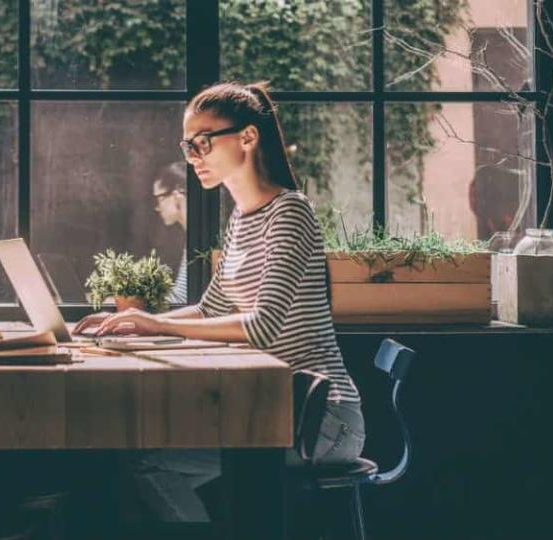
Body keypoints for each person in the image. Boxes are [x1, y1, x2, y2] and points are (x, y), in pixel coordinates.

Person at [73, 81, 365, 522]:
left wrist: (160, 327)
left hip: (324, 419)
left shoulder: (291, 212)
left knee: (149, 464)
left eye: (203, 143)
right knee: (140, 454)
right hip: (276, 408)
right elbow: (212, 309)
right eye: (187, 145)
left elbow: (262, 325)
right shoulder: (241, 219)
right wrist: (137, 320)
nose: (193, 157)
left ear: (247, 137)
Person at [153, 162, 188, 304]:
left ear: (176, 195)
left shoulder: (197, 241)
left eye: (159, 198)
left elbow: (181, 300)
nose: (157, 207)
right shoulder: (190, 238)